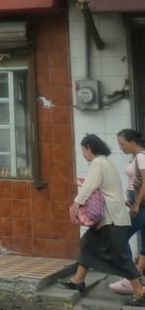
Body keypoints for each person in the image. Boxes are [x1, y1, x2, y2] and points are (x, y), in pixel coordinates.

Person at [58, 134, 145, 306]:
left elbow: (90, 185)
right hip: (109, 218)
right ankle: (78, 280)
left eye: (83, 150)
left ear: (89, 147)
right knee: (87, 243)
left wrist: (77, 201)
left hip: (111, 219)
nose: (83, 154)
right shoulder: (105, 162)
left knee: (120, 257)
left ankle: (140, 292)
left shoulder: (98, 162)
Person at [109, 129, 145, 293]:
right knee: (144, 241)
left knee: (121, 237)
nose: (121, 147)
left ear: (132, 142)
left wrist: (136, 204)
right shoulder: (138, 157)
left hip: (141, 205)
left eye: (122, 144)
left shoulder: (141, 157)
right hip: (138, 203)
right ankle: (136, 276)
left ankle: (130, 279)